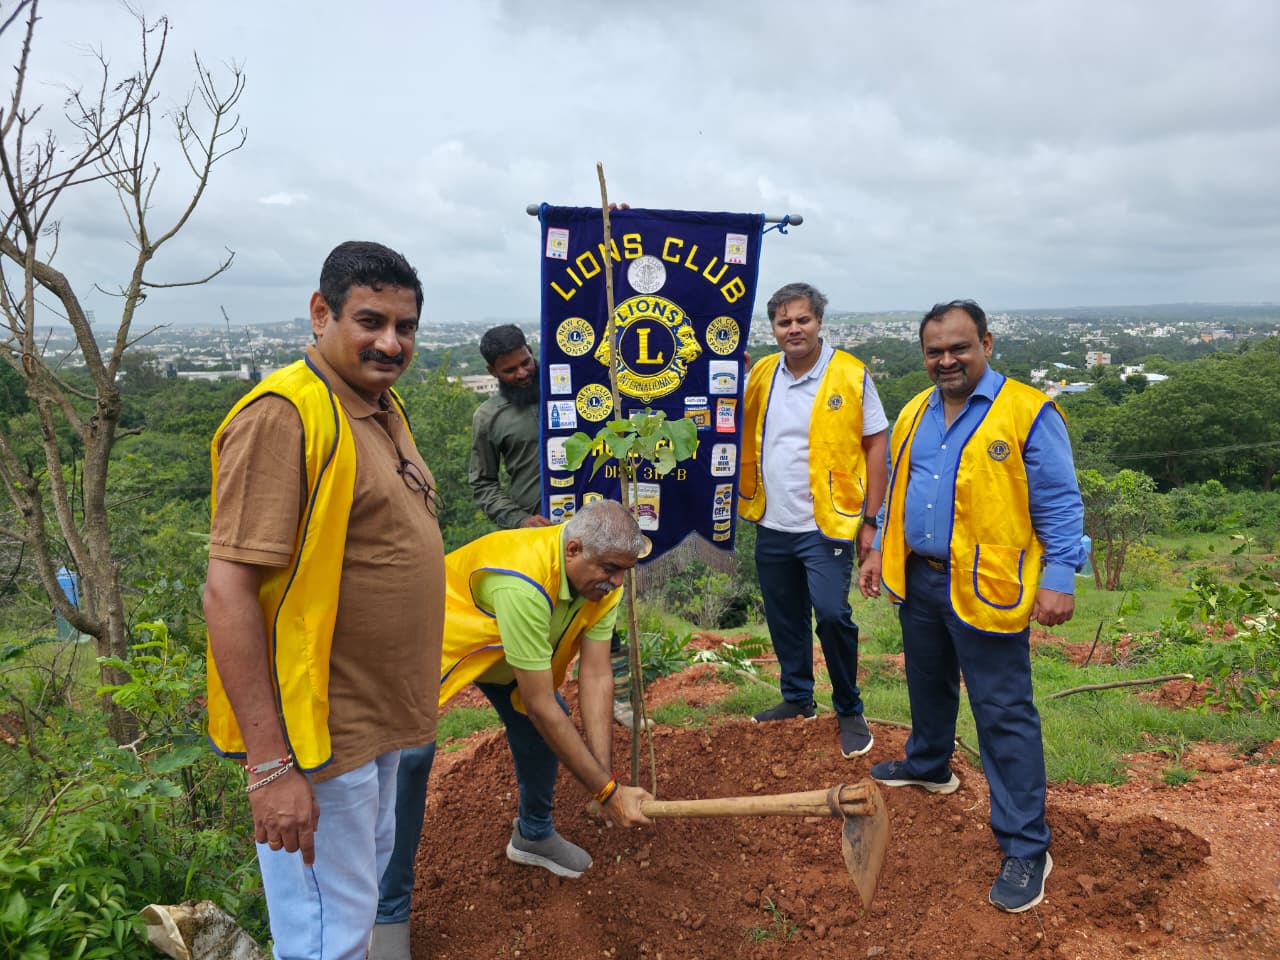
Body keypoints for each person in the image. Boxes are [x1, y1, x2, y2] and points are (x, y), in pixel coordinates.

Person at [204, 241, 443, 960]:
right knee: (321, 939)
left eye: (405, 327)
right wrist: (271, 766)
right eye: (371, 321)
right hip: (315, 739)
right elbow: (229, 590)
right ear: (321, 312)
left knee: (352, 918)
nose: (390, 342)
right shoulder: (284, 416)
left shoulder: (375, 402)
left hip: (370, 728)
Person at [858, 298, 1088, 914]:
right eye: (935, 350)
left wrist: (1060, 576)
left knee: (1002, 711)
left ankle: (1025, 845)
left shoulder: (1027, 412)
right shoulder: (914, 410)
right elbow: (897, 489)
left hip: (990, 583)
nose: (946, 360)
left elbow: (1061, 500)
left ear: (987, 343)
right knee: (927, 684)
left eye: (959, 347)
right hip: (922, 581)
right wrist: (878, 548)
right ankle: (931, 763)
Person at [373, 500, 653, 958]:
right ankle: (388, 911)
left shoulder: (604, 581)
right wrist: (608, 791)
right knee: (412, 755)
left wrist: (605, 782)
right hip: (439, 638)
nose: (618, 581)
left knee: (540, 726)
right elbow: (542, 706)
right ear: (574, 549)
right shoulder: (521, 581)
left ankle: (534, 833)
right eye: (609, 569)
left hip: (509, 649)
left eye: (624, 571)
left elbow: (598, 676)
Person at [737, 281, 888, 759]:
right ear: (774, 328)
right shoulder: (762, 373)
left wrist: (871, 520)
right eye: (784, 322)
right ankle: (798, 698)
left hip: (827, 525)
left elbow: (876, 445)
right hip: (772, 521)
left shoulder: (850, 373)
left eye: (803, 319)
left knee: (831, 613)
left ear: (819, 322)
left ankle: (848, 707)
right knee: (784, 616)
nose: (794, 328)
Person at [469, 322, 643, 731]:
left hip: (597, 532)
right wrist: (518, 519)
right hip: (540, 543)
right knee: (546, 623)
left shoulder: (579, 390)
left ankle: (618, 701)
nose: (523, 373)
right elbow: (482, 483)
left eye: (526, 363)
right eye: (510, 370)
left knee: (604, 616)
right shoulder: (489, 418)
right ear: (493, 372)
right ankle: (545, 702)